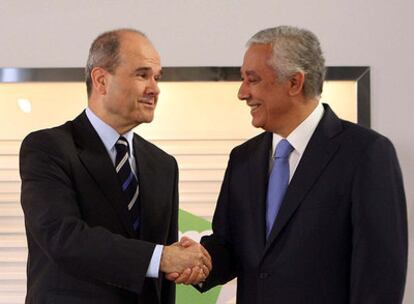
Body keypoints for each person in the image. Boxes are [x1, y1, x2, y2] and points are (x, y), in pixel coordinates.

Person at [171, 26, 408, 303]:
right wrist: (199, 263)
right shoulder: (243, 158)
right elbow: (230, 246)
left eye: (253, 80)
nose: (242, 93)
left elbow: (379, 277)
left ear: (294, 83)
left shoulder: (366, 153)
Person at [19, 29, 211, 304]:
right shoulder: (48, 148)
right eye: (142, 74)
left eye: (157, 77)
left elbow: (164, 276)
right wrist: (162, 257)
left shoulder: (164, 165)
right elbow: (63, 238)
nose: (154, 88)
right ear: (101, 80)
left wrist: (182, 261)